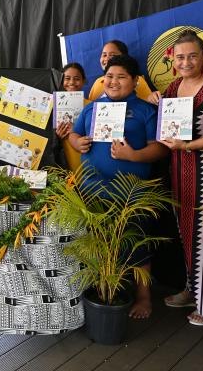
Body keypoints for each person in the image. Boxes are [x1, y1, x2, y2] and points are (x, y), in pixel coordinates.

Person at [69, 54, 168, 319]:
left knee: (136, 245)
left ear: (135, 81)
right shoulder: (92, 108)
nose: (113, 82)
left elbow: (160, 148)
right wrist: (76, 142)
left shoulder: (146, 111)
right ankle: (100, 292)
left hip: (129, 194)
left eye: (121, 76)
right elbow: (74, 133)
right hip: (92, 190)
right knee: (97, 243)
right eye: (109, 76)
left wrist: (133, 156)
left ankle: (144, 297)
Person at [147, 30, 203, 326]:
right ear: (173, 59)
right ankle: (193, 289)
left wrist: (188, 145)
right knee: (186, 232)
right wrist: (153, 98)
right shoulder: (172, 88)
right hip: (180, 169)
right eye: (180, 56)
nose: (186, 61)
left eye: (192, 55)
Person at [53, 63, 91, 172]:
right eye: (67, 78)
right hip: (64, 165)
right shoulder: (54, 106)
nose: (71, 83)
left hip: (87, 162)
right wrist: (57, 137)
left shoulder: (91, 106)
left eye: (77, 79)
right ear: (61, 80)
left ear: (83, 81)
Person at [88, 40, 153, 102]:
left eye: (112, 55)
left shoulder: (139, 81)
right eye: (104, 55)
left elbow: (147, 102)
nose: (107, 58)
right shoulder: (97, 82)